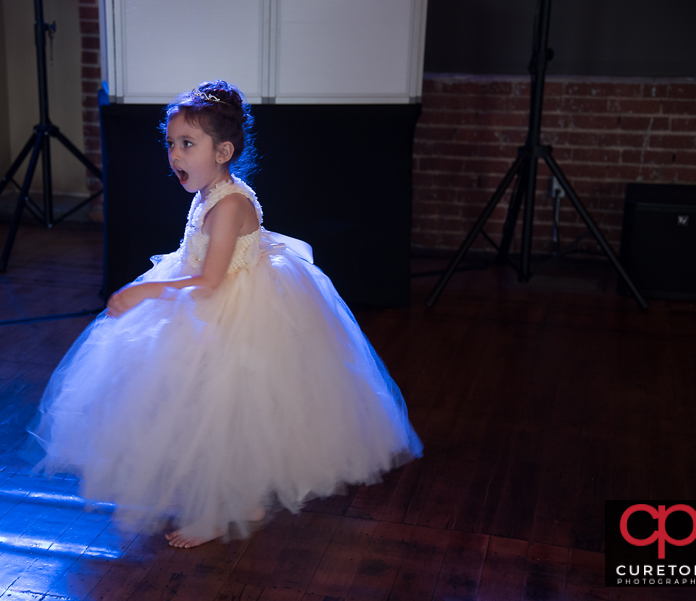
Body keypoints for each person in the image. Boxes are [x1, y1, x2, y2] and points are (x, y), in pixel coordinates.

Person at [29, 80, 423, 548]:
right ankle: (245, 496)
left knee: (221, 408)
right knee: (202, 405)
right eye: (171, 144)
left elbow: (210, 280)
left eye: (187, 144)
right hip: (209, 304)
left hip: (232, 308)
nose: (175, 155)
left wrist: (146, 292)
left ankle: (217, 513)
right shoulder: (210, 195)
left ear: (223, 151)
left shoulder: (229, 204)